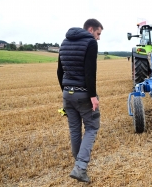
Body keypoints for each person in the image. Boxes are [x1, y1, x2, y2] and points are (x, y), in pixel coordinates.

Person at [57, 18, 103, 183]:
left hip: (67, 94)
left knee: (75, 131)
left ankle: (78, 165)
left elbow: (59, 71)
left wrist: (66, 93)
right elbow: (90, 72)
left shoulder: (64, 41)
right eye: (98, 33)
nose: (98, 38)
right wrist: (93, 97)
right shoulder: (90, 43)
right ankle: (80, 167)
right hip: (84, 94)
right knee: (92, 127)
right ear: (90, 29)